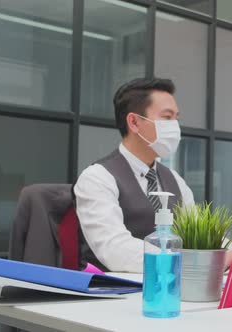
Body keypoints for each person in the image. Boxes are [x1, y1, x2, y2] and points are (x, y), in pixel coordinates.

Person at [74, 77, 195, 273]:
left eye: (176, 118)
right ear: (134, 122)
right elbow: (115, 250)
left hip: (170, 288)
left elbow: (199, 235)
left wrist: (230, 253)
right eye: (167, 117)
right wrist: (185, 263)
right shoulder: (97, 178)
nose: (175, 126)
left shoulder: (176, 181)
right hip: (114, 295)